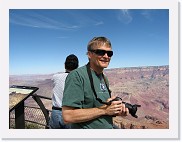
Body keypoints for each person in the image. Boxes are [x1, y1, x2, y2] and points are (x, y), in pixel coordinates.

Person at [62, 37, 129, 129]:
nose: (106, 56)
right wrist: (104, 110)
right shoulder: (77, 76)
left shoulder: (104, 78)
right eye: (100, 52)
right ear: (89, 54)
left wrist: (116, 110)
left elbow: (103, 108)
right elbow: (68, 116)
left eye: (109, 53)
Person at [49, 54, 79, 129]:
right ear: (77, 65)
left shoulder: (55, 76)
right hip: (71, 113)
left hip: (55, 113)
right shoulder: (79, 78)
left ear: (65, 65)